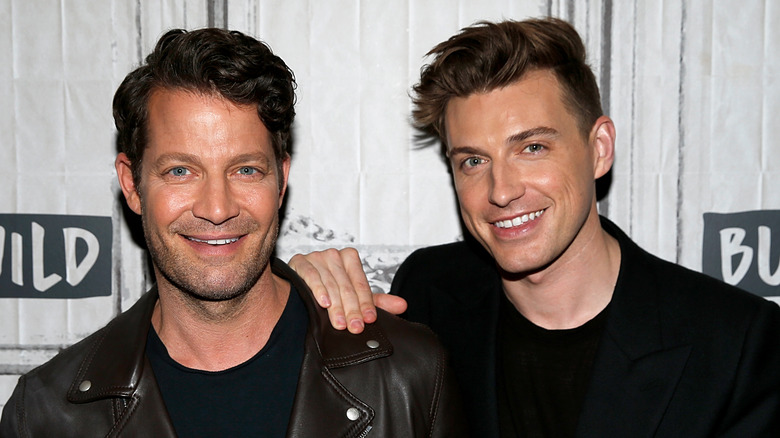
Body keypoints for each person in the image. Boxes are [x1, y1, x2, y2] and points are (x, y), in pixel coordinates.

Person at [290, 18, 780, 437]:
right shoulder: (430, 293)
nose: (501, 191)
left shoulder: (734, 343)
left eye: (532, 148)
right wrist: (292, 306)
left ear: (600, 148)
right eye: (473, 160)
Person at [0, 28, 465, 438]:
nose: (217, 208)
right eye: (181, 171)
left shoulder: (409, 374)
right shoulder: (45, 413)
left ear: (280, 180)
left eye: (245, 169)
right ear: (132, 185)